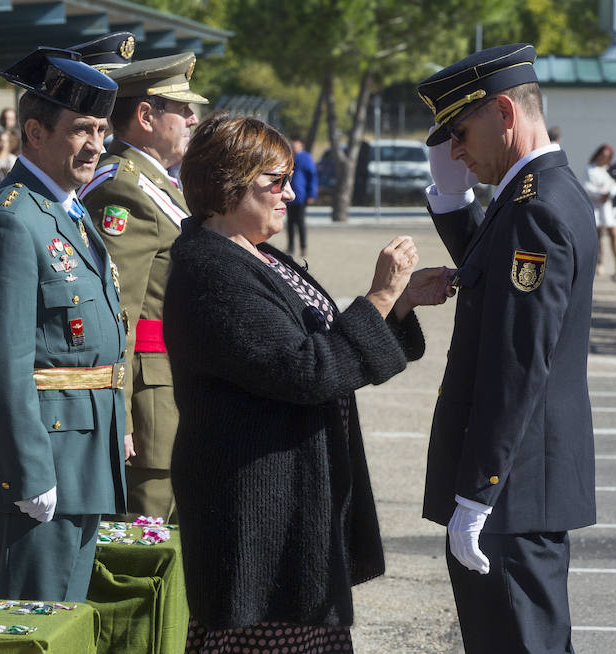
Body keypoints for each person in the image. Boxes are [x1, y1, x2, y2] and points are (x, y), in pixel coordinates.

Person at [164, 112, 452, 653]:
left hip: (288, 501)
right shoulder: (211, 269)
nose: (290, 194)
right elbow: (307, 369)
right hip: (257, 510)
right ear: (228, 181)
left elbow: (323, 343)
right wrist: (380, 298)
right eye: (275, 181)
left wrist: (402, 302)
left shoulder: (252, 254)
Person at [416, 43, 597, 653]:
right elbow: (494, 280)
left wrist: (479, 491)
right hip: (522, 487)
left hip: (512, 491)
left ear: (504, 112)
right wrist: (451, 201)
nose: (457, 152)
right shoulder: (541, 193)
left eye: (460, 134)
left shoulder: (534, 208)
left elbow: (518, 362)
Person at [0, 46, 126, 602]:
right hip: (41, 467)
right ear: (34, 132)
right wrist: (28, 474)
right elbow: (0, 364)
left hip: (82, 457)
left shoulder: (65, 212)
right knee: (34, 624)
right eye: (82, 130)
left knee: (67, 624)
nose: (97, 145)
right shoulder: (13, 219)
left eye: (101, 130)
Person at [79, 52, 206, 522]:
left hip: (174, 388)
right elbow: (117, 315)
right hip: (149, 406)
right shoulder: (123, 189)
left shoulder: (158, 183)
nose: (192, 117)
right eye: (182, 108)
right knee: (146, 550)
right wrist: (121, 420)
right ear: (146, 117)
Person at [584, 144, 616, 274]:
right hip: (596, 205)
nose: (603, 158)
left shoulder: (610, 169)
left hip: (608, 207)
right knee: (598, 236)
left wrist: (609, 193)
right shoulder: (590, 169)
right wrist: (601, 193)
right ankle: (599, 263)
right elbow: (588, 187)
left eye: (606, 157)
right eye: (602, 155)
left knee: (614, 233)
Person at [285, 134, 318, 257]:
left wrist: (311, 194)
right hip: (288, 196)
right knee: (290, 223)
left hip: (300, 196)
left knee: (300, 222)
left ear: (301, 144)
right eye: (292, 142)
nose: (293, 145)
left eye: (296, 143)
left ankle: (303, 247)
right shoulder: (288, 157)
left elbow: (312, 177)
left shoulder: (306, 158)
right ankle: (291, 247)